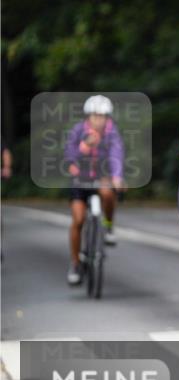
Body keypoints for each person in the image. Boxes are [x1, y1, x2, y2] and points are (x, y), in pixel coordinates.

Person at [64, 95, 124, 285]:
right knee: (78, 220)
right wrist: (84, 146)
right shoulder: (78, 131)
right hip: (80, 180)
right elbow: (69, 156)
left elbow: (117, 154)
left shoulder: (112, 133)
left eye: (103, 116)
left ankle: (107, 225)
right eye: (95, 115)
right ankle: (75, 263)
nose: (99, 120)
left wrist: (117, 177)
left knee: (108, 192)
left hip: (101, 178)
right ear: (88, 116)